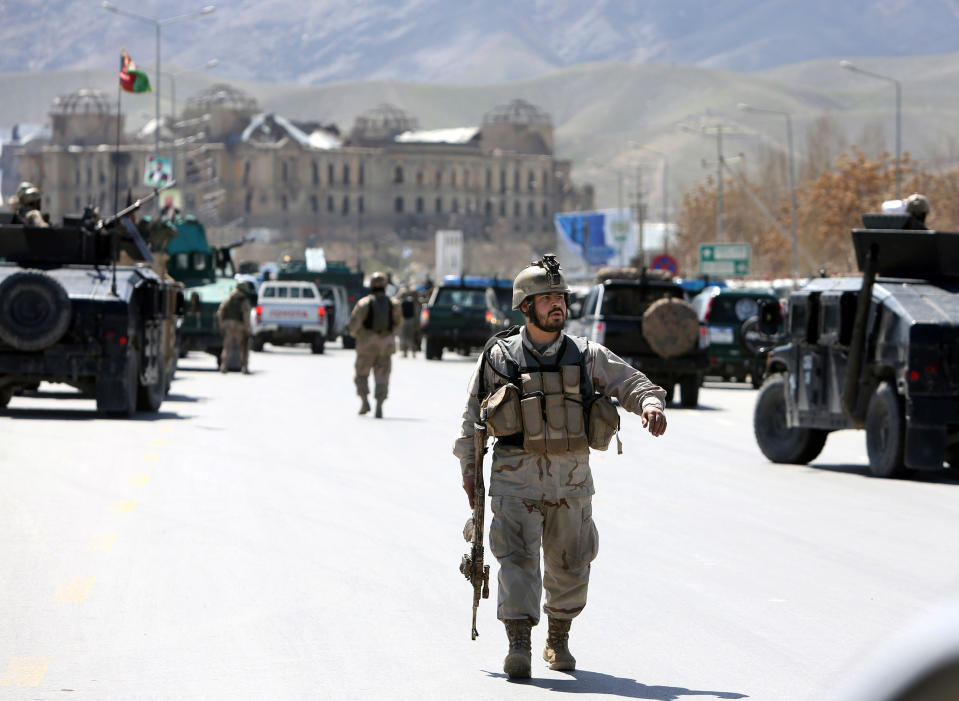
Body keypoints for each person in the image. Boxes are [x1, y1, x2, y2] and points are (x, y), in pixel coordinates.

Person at [453, 254, 667, 680]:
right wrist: (469, 470)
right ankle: (519, 644)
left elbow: (632, 382)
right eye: (546, 298)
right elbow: (472, 418)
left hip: (571, 483)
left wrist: (651, 404)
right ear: (526, 306)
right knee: (516, 561)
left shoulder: (586, 355)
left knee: (571, 563)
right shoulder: (498, 357)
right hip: (514, 480)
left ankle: (558, 638)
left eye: (560, 298)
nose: (557, 306)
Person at [348, 271, 402, 418]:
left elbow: (354, 325)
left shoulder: (363, 303)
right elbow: (398, 323)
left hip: (366, 345)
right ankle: (379, 404)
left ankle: (365, 401)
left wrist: (357, 335)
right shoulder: (393, 304)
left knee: (361, 375)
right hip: (386, 346)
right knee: (382, 376)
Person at [216, 282, 252, 374]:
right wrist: (247, 329)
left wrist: (222, 325)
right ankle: (244, 367)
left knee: (227, 347)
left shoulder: (229, 298)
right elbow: (246, 316)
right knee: (244, 347)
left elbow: (220, 312)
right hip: (240, 327)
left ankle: (223, 366)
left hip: (228, 326)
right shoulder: (244, 300)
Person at [395, 287, 421, 357]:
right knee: (411, 337)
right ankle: (413, 351)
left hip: (403, 321)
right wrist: (417, 324)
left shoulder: (400, 302)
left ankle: (405, 352)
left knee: (403, 337)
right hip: (411, 321)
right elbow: (416, 313)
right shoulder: (414, 302)